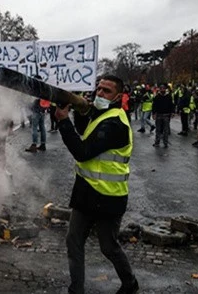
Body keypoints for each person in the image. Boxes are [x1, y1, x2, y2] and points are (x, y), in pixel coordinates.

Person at [54, 74, 138, 294]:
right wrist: (79, 112)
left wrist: (63, 121)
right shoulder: (102, 114)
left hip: (109, 197)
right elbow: (85, 130)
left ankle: (130, 283)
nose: (100, 93)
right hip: (86, 192)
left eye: (106, 91)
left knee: (108, 247)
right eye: (98, 89)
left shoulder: (115, 123)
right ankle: (76, 290)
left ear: (118, 96)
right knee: (74, 241)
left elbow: (83, 152)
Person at [25, 75, 49, 153]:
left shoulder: (35, 89)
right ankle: (43, 145)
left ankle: (34, 145)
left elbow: (31, 100)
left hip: (36, 110)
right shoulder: (44, 88)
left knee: (34, 127)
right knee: (42, 128)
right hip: (43, 111)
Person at [152, 83, 174, 147]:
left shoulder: (168, 96)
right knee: (158, 130)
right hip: (159, 115)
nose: (162, 90)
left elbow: (171, 105)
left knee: (166, 130)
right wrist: (153, 113)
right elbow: (154, 106)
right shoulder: (157, 97)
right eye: (161, 88)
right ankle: (157, 142)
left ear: (165, 89)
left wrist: (172, 112)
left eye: (163, 88)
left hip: (166, 115)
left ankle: (165, 143)